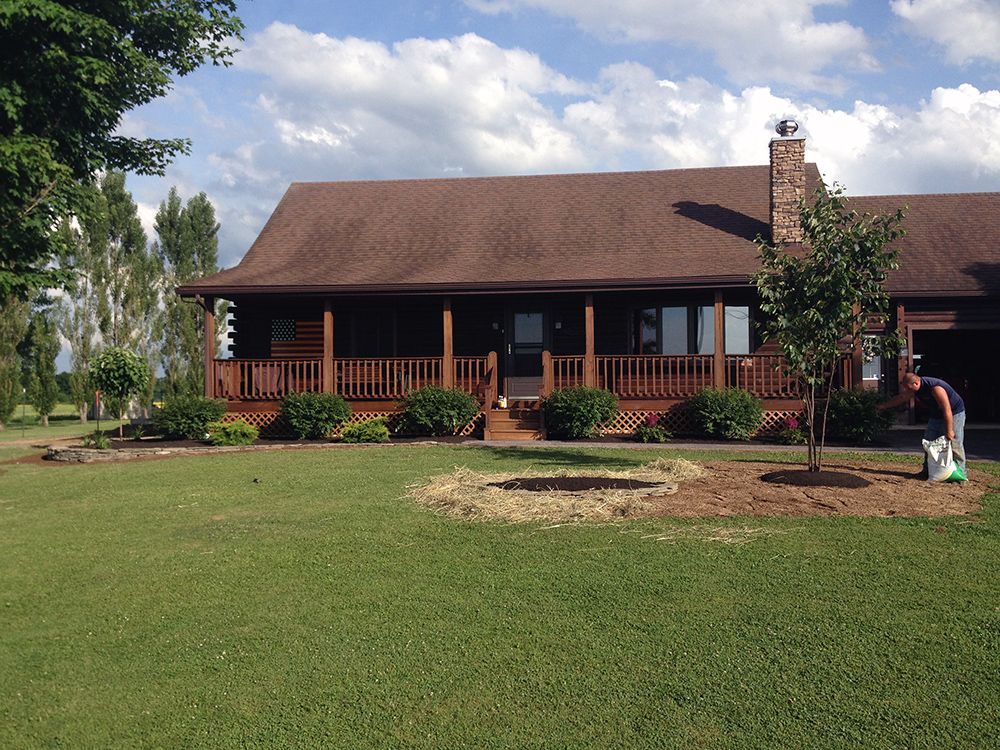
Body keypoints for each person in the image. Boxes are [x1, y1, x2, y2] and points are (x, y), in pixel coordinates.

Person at [877, 372, 966, 476]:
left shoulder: (936, 387)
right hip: (936, 413)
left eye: (908, 388)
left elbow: (947, 409)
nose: (907, 391)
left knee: (955, 442)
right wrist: (883, 406)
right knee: (929, 441)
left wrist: (949, 430)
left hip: (954, 413)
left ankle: (961, 473)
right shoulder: (914, 388)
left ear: (916, 383)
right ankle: (927, 471)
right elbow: (902, 398)